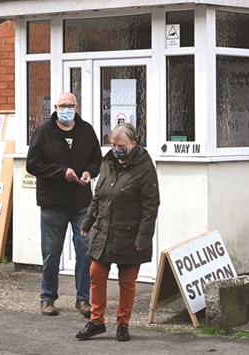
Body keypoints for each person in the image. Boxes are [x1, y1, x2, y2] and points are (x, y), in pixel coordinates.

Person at [75, 123, 160, 341]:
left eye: (121, 145)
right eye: (112, 144)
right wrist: (87, 223)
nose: (116, 148)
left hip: (131, 234)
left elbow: (151, 206)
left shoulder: (144, 166)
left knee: (127, 281)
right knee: (96, 272)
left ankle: (123, 324)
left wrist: (143, 237)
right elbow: (98, 197)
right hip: (105, 231)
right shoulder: (107, 163)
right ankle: (96, 321)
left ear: (133, 144)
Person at [26, 92, 102, 317]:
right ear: (55, 107)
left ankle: (83, 299)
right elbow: (33, 164)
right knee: (51, 253)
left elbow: (97, 159)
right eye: (62, 105)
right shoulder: (43, 132)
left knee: (85, 250)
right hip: (52, 203)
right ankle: (47, 298)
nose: (66, 109)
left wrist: (90, 172)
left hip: (81, 203)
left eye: (70, 105)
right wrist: (61, 172)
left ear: (76, 107)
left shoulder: (86, 131)